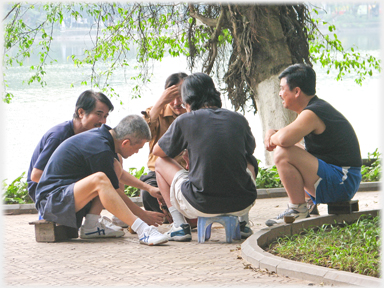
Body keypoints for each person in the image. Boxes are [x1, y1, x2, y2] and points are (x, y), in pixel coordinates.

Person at [152, 72, 258, 241]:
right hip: (242, 202)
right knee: (249, 160)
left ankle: (179, 226)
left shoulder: (185, 120)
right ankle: (243, 223)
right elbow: (249, 149)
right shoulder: (238, 118)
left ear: (187, 99)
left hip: (199, 203)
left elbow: (158, 151)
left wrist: (185, 150)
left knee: (159, 162)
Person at [35, 115, 169, 246]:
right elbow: (113, 190)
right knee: (100, 179)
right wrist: (142, 215)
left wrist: (148, 188)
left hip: (65, 196)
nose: (137, 152)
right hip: (51, 202)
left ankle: (91, 226)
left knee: (114, 165)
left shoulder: (105, 138)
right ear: (126, 142)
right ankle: (143, 231)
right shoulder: (100, 149)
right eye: (138, 148)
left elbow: (118, 175)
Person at [264, 64, 362, 226]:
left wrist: (272, 137)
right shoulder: (314, 109)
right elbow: (288, 136)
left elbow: (283, 140)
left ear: (296, 92)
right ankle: (308, 204)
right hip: (343, 179)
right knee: (291, 148)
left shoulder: (312, 113)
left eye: (282, 89)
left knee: (283, 152)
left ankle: (298, 209)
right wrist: (271, 132)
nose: (280, 94)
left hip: (342, 181)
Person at [27, 90, 114, 203]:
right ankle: (91, 219)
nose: (102, 121)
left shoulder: (92, 135)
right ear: (81, 112)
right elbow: (36, 175)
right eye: (98, 114)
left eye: (105, 116)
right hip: (45, 193)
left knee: (115, 159)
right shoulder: (58, 136)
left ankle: (109, 218)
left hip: (69, 186)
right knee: (98, 182)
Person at [138, 72, 188, 220]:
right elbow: (140, 134)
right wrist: (161, 102)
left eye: (181, 96)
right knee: (149, 193)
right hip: (158, 173)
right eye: (172, 97)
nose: (177, 102)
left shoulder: (196, 113)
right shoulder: (155, 112)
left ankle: (174, 215)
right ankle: (174, 215)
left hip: (188, 171)